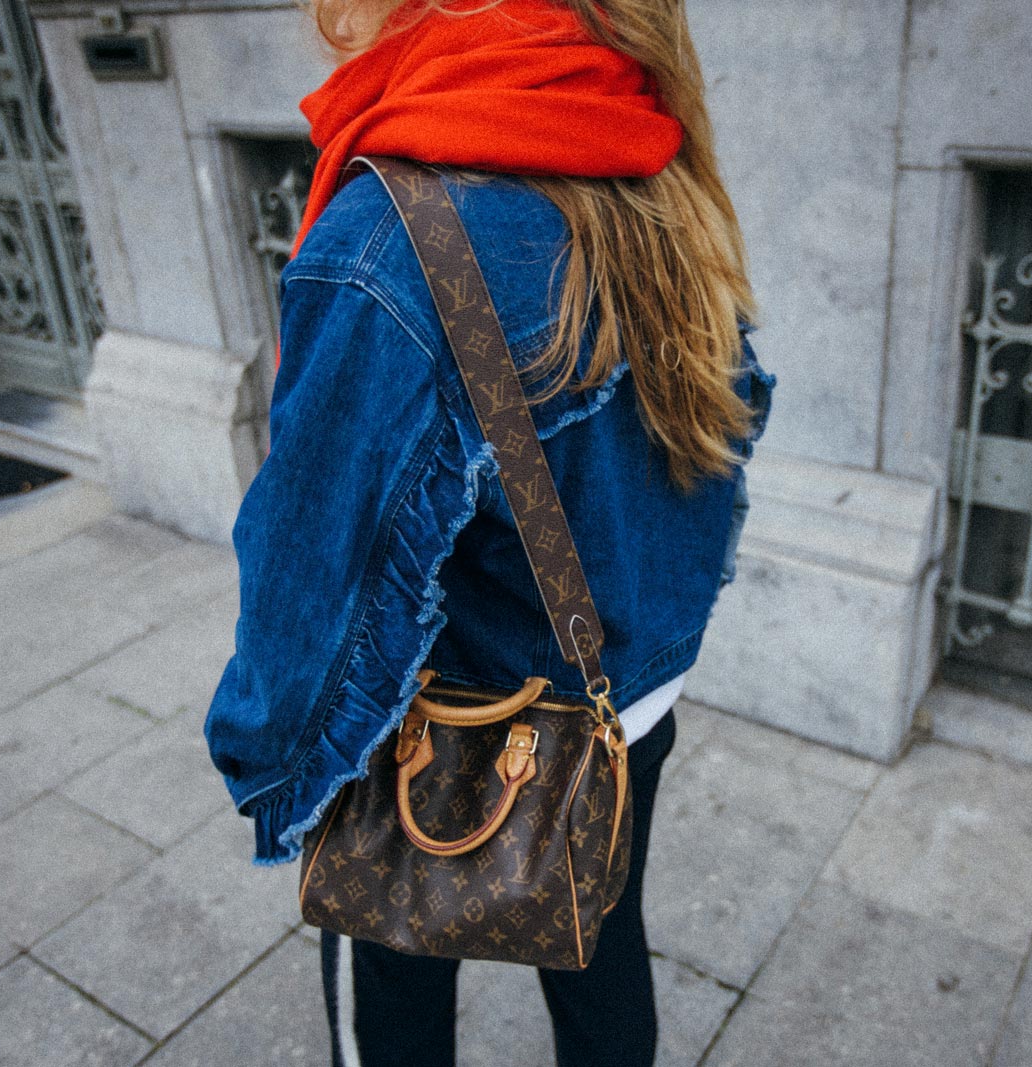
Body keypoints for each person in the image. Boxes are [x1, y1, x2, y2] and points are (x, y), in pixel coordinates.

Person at [203, 1, 774, 1064]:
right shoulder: (652, 163)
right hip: (625, 702)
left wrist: (272, 758)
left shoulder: (387, 237)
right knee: (598, 940)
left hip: (444, 716)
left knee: (393, 962)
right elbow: (697, 464)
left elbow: (312, 574)